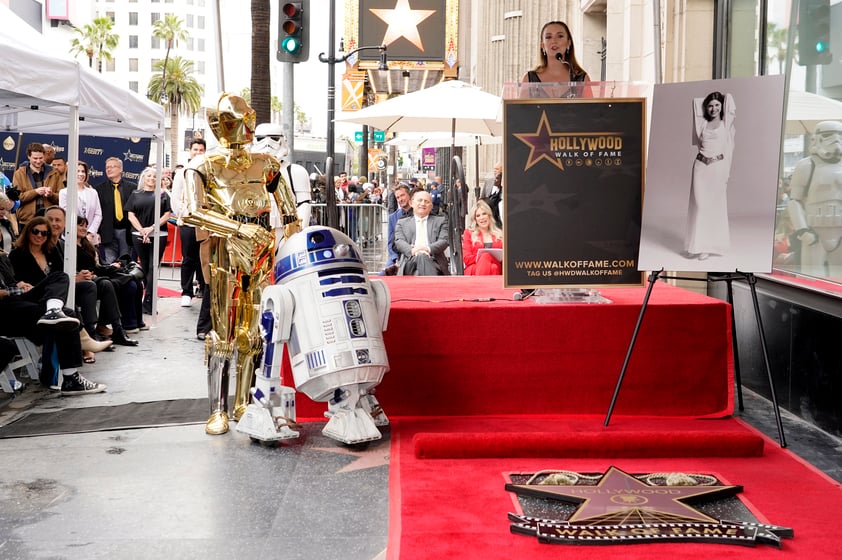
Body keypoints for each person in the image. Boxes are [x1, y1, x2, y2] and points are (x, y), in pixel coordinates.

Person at [179, 93, 301, 435]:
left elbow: (290, 211)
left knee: (256, 331)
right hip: (224, 253)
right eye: (239, 119)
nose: (247, 125)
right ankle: (217, 409)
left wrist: (295, 249)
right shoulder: (202, 166)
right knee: (223, 333)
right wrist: (236, 227)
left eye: (249, 117)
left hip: (263, 253)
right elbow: (190, 211)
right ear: (222, 125)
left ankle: (245, 402)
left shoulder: (267, 163)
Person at [0, 244, 106, 395]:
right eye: (36, 232)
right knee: (67, 314)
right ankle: (71, 378)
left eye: (44, 233)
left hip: (15, 299)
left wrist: (18, 285)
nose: (40, 235)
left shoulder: (2, 256)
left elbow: (11, 282)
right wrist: (7, 291)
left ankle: (53, 310)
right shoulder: (19, 254)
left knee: (59, 276)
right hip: (5, 308)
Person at [684, 91, 736, 261]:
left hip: (717, 168)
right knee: (699, 205)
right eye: (710, 105)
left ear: (722, 107)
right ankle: (695, 245)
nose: (713, 108)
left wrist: (727, 172)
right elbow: (695, 103)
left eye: (717, 105)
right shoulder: (702, 124)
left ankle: (707, 247)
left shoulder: (727, 125)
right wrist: (708, 101)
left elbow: (729, 150)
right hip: (700, 167)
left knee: (713, 206)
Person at [787, 120, 842, 271]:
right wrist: (802, 230)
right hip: (814, 231)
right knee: (812, 276)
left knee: (838, 280)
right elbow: (794, 201)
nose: (836, 139)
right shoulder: (807, 165)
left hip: (839, 230)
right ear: (817, 137)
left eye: (840, 134)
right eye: (828, 135)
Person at [125, 166, 172, 315]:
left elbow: (167, 215)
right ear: (143, 178)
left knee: (153, 267)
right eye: (149, 176)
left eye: (154, 176)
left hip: (159, 234)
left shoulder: (163, 195)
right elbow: (131, 215)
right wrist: (142, 230)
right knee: (145, 267)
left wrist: (151, 228)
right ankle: (146, 298)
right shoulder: (135, 194)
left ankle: (149, 300)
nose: (151, 179)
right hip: (139, 234)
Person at [170, 137, 207, 308]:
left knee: (205, 258)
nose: (198, 152)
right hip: (187, 223)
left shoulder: (209, 172)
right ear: (190, 151)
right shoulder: (181, 172)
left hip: (206, 223)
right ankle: (186, 292)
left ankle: (203, 288)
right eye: (195, 149)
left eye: (201, 150)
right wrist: (186, 215)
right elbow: (175, 199)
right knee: (188, 259)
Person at [521, 21, 590, 98]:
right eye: (548, 37)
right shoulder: (529, 79)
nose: (554, 41)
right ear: (542, 45)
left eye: (560, 36)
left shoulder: (581, 79)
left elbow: (592, 109)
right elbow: (521, 109)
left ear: (568, 43)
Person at [394, 189, 449, 276]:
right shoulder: (402, 223)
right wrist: (413, 250)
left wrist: (427, 249)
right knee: (421, 257)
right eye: (419, 200)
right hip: (410, 260)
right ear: (411, 203)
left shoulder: (440, 221)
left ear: (431, 206)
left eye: (426, 201)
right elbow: (399, 241)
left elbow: (444, 241)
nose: (423, 204)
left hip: (434, 260)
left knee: (420, 265)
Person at [94, 157, 137, 264]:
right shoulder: (99, 189)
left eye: (112, 166)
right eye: (107, 167)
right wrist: (97, 232)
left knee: (125, 263)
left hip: (126, 232)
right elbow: (97, 212)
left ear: (121, 169)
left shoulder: (132, 188)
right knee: (110, 264)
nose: (109, 169)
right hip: (108, 232)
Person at [12, 143, 58, 228]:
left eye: (41, 158)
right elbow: (17, 198)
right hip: (26, 222)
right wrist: (35, 192)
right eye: (35, 158)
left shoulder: (54, 173)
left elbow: (62, 198)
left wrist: (51, 195)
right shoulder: (19, 174)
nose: (38, 161)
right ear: (29, 156)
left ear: (44, 156)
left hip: (49, 221)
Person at [59, 161, 103, 247]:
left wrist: (90, 233)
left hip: (91, 239)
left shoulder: (93, 192)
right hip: (71, 238)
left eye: (83, 171)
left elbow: (98, 214)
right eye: (77, 171)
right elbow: (65, 215)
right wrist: (79, 233)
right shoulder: (64, 193)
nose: (81, 174)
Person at [462, 200, 504, 276]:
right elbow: (466, 258)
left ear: (489, 215)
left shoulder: (500, 234)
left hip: (496, 266)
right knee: (491, 265)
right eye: (478, 216)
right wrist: (483, 257)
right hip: (474, 268)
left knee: (493, 265)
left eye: (484, 214)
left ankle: (480, 286)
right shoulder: (469, 233)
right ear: (475, 219)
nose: (481, 218)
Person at [384, 183, 412, 274]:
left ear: (409, 195)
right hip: (398, 256)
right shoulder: (393, 217)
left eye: (402, 195)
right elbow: (390, 242)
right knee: (382, 275)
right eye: (398, 197)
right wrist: (395, 258)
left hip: (414, 254)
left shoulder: (418, 213)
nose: (400, 199)